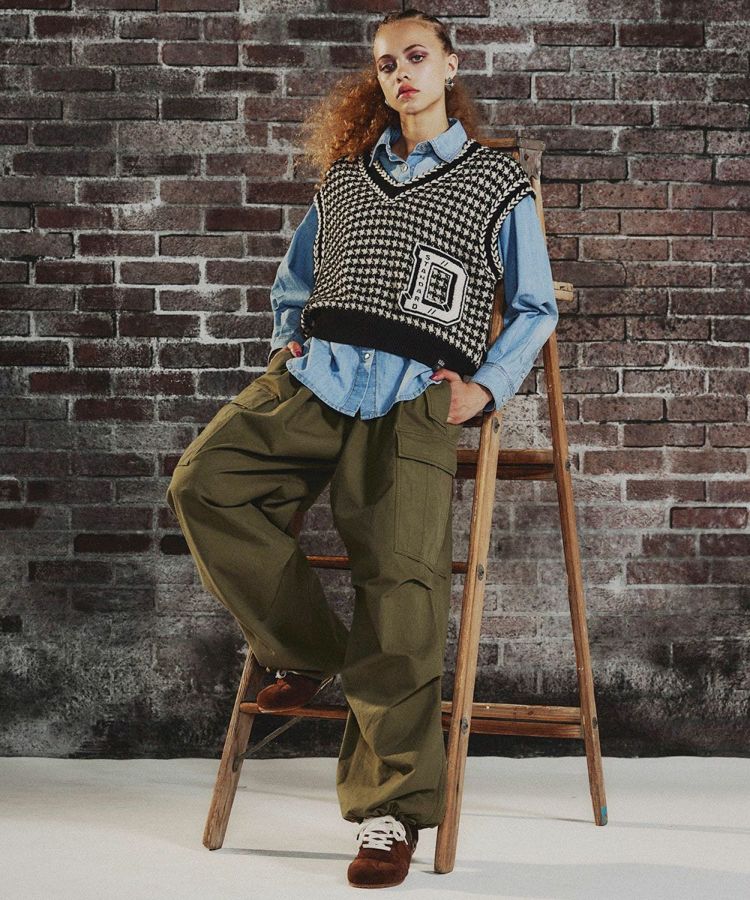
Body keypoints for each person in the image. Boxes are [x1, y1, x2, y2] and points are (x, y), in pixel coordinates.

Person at [166, 8, 558, 890]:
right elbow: (295, 280)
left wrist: (487, 386)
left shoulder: (496, 182)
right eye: (386, 64)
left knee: (402, 592)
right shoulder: (345, 178)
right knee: (205, 484)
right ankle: (306, 649)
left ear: (450, 64)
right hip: (316, 380)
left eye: (416, 57)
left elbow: (536, 305)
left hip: (414, 400)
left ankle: (389, 814)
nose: (401, 74)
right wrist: (287, 341)